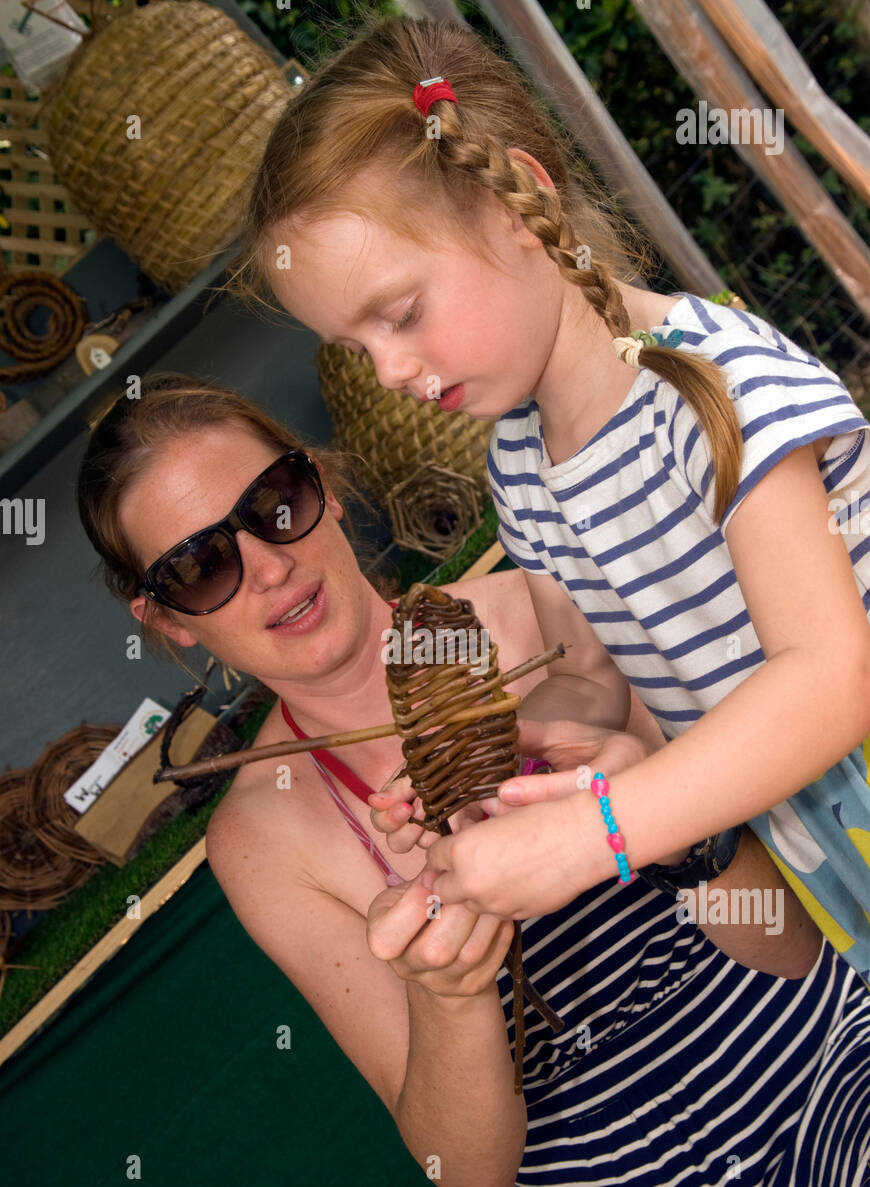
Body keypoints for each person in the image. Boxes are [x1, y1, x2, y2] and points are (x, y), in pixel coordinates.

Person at [76, 374, 870, 1187]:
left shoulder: (538, 611)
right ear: (166, 619)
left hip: (834, 1088)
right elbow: (470, 1169)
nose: (267, 567)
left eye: (275, 506)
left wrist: (643, 821)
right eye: (200, 565)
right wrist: (449, 996)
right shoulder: (262, 838)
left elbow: (788, 945)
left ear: (324, 488)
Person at [222, 14, 870, 984]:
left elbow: (832, 677)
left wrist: (598, 833)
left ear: (520, 202)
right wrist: (501, 767)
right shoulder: (523, 471)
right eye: (357, 349)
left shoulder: (712, 391)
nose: (390, 369)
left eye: (400, 315)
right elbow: (607, 687)